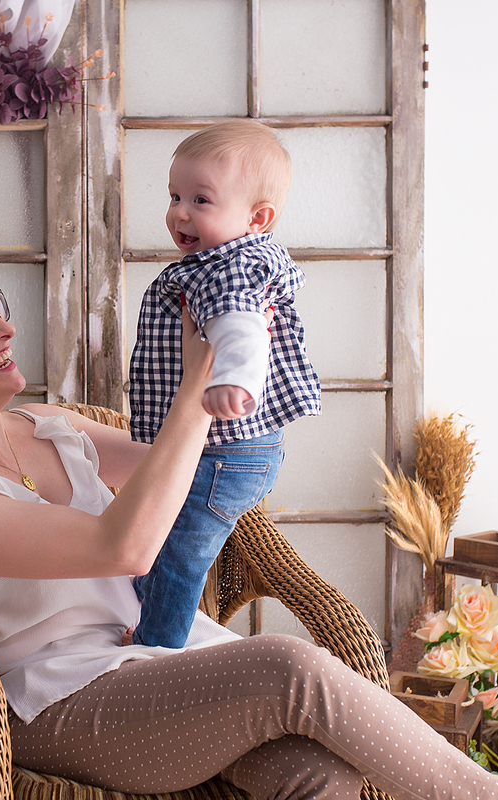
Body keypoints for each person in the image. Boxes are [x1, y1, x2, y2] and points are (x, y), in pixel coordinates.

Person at [0, 253, 498, 800]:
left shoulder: (49, 428)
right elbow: (124, 546)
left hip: (155, 663)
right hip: (57, 705)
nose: (4, 328)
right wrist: (194, 387)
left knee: (321, 773)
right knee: (289, 665)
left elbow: (187, 469)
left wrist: (238, 352)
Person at [127, 119, 320, 648]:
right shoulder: (220, 261)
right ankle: (151, 618)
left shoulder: (232, 270)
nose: (179, 213)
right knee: (164, 539)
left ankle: (156, 647)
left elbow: (243, 329)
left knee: (180, 555)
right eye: (175, 196)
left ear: (257, 218)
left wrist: (234, 382)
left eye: (201, 200)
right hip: (225, 450)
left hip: (227, 453)